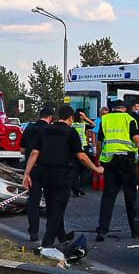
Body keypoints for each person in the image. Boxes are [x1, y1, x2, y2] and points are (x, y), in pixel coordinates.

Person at [23, 104, 103, 252]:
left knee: (52, 206)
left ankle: (61, 236)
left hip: (44, 173)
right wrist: (96, 168)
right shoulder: (70, 132)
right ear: (71, 118)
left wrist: (27, 173)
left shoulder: (45, 130)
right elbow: (81, 156)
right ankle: (47, 244)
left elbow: (34, 152)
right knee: (57, 209)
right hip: (61, 174)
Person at [96, 97, 139, 242]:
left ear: (113, 109)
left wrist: (98, 160)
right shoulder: (129, 119)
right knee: (130, 196)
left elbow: (99, 142)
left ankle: (102, 230)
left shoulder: (105, 120)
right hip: (126, 163)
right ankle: (134, 230)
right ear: (125, 109)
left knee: (108, 197)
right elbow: (137, 139)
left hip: (109, 161)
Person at [19, 105, 55, 242]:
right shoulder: (50, 129)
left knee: (33, 201)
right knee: (50, 200)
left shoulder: (29, 128)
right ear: (50, 117)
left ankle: (33, 231)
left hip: (31, 169)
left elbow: (22, 149)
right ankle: (51, 232)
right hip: (47, 168)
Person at [70, 109, 96, 196]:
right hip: (83, 147)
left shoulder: (71, 125)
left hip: (72, 148)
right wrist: (86, 118)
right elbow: (94, 125)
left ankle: (75, 190)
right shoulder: (84, 125)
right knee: (85, 169)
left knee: (74, 170)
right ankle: (81, 187)